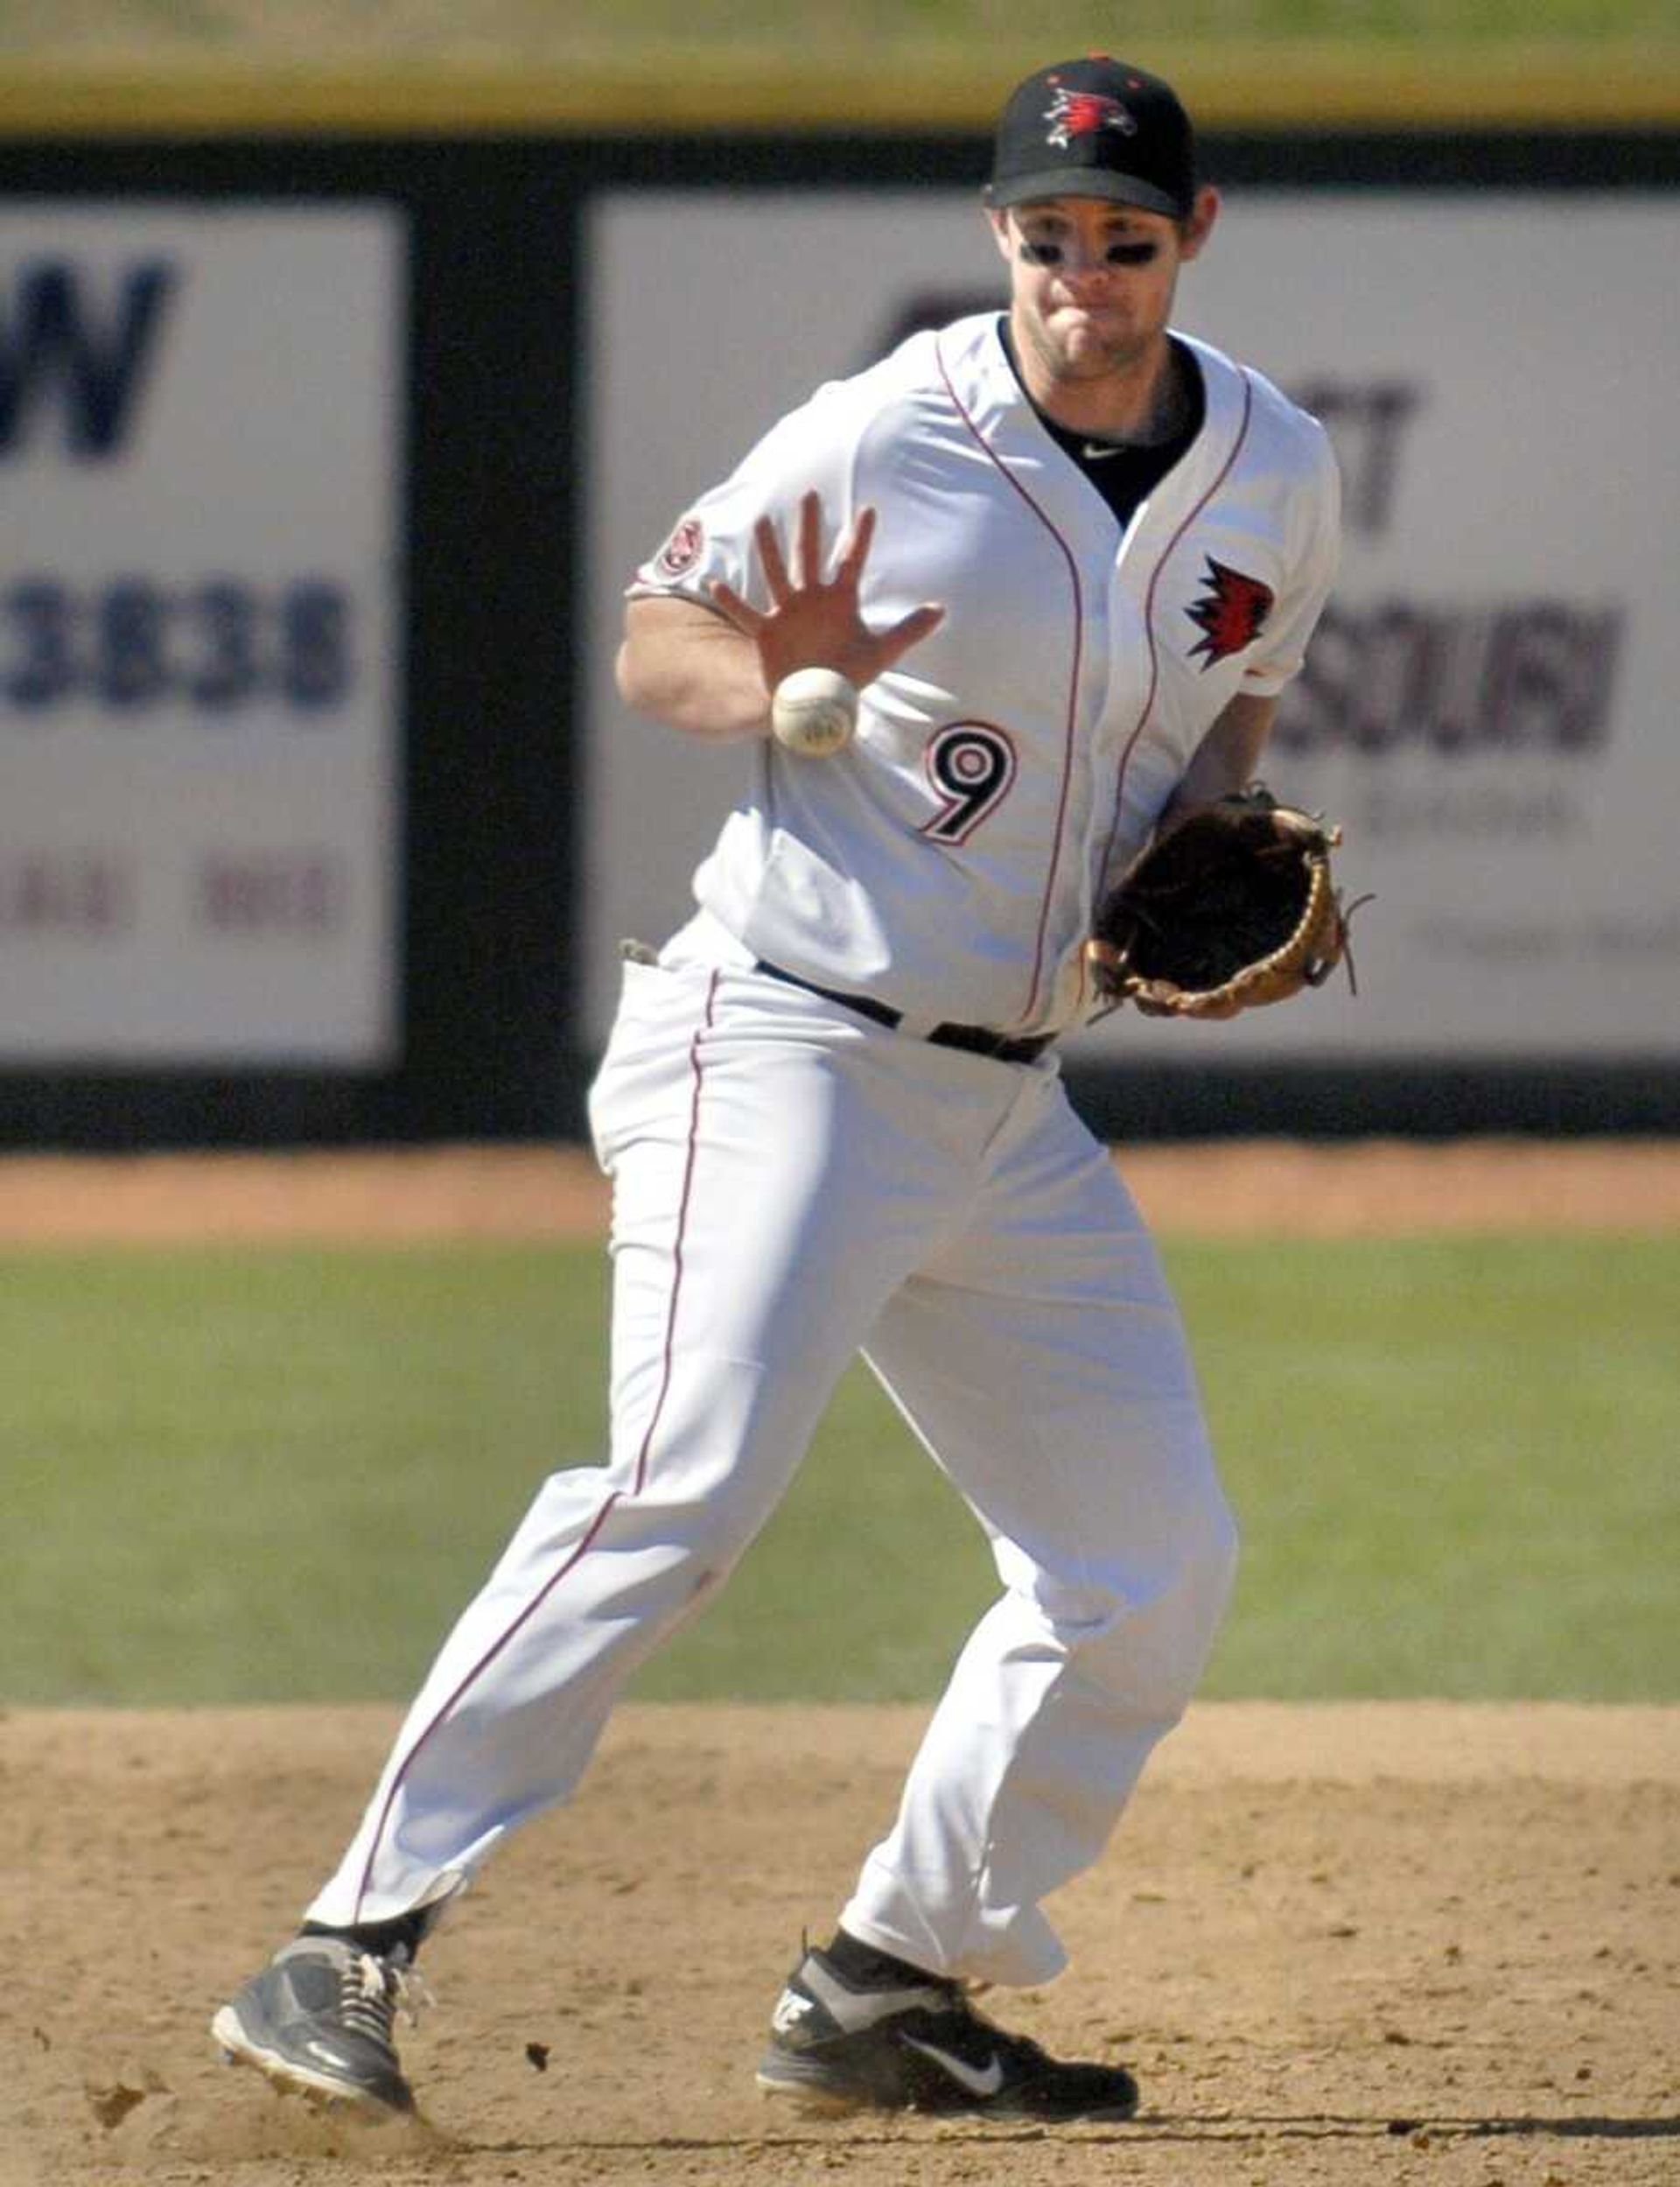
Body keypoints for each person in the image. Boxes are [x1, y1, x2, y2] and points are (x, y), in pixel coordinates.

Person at [211, 53, 1340, 2124]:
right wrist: (777, 686)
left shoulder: (1271, 457)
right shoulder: (890, 426)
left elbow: (1236, 704)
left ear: (1195, 236)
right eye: (1047, 237)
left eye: (1126, 239)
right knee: (688, 1475)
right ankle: (342, 1940)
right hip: (787, 1037)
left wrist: (1209, 838)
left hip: (1008, 1107)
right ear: (1000, 233)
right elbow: (661, 634)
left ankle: (890, 1980)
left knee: (1148, 1558)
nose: (1083, 277)